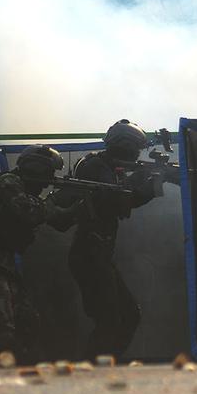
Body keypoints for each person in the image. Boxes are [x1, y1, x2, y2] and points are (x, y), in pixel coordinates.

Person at [59, 120, 159, 358]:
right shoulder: (94, 165)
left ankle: (103, 366)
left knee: (128, 316)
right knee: (110, 320)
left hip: (99, 254)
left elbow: (124, 202)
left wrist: (153, 185)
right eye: (135, 149)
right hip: (89, 252)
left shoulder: (108, 168)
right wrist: (142, 180)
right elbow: (113, 200)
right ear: (124, 145)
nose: (136, 155)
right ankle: (93, 373)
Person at [0, 146, 83, 364]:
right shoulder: (8, 182)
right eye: (47, 174)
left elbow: (58, 221)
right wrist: (55, 204)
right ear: (36, 168)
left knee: (27, 322)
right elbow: (30, 211)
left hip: (2, 265)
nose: (47, 182)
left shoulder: (21, 189)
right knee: (2, 331)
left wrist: (77, 209)